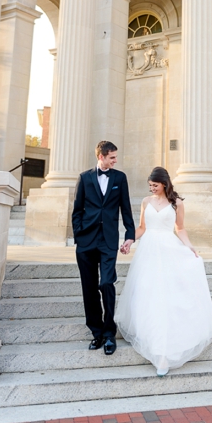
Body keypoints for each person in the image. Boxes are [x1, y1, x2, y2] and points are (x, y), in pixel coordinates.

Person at [114, 166, 212, 376]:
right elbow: (142, 227)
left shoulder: (176, 203)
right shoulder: (146, 201)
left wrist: (189, 246)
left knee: (166, 293)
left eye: (155, 185)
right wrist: (130, 241)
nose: (152, 188)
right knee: (147, 290)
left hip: (168, 248)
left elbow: (180, 228)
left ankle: (166, 348)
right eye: (150, 185)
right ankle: (149, 336)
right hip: (148, 251)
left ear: (164, 184)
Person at [72, 140, 136, 355]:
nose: (115, 160)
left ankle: (110, 333)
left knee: (107, 283)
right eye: (112, 157)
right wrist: (79, 235)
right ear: (101, 156)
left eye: (115, 157)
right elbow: (77, 209)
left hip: (108, 241)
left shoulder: (120, 178)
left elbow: (125, 207)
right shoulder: (84, 177)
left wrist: (130, 235)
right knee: (89, 289)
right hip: (86, 241)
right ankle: (97, 333)